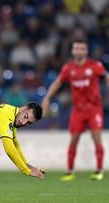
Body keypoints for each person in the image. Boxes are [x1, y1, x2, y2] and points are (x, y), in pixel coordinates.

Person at [42, 40, 108, 181]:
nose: (79, 51)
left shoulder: (95, 66)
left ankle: (99, 170)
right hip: (78, 110)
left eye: (81, 49)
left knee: (96, 138)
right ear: (73, 51)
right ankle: (70, 171)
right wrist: (47, 97)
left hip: (94, 109)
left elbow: (106, 77)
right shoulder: (68, 68)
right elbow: (58, 82)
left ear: (86, 51)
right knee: (74, 140)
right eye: (76, 48)